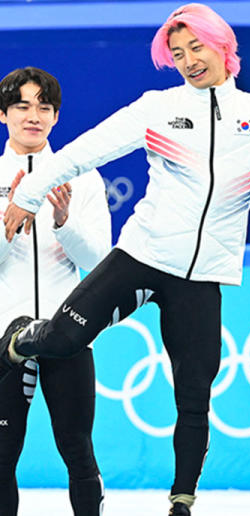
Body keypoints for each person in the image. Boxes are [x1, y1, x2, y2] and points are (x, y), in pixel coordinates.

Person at [0, 3, 250, 515]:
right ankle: (18, 341)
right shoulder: (157, 108)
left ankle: (182, 500)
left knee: (194, 392)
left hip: (203, 274)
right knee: (66, 338)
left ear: (223, 47)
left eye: (196, 48)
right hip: (142, 255)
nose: (188, 60)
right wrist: (30, 195)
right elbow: (81, 153)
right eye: (178, 53)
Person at [0, 67, 110, 515]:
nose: (34, 116)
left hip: (67, 333)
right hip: (6, 337)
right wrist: (9, 221)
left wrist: (63, 222)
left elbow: (99, 260)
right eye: (23, 106)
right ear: (3, 114)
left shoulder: (82, 177)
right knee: (2, 457)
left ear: (57, 116)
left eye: (44, 108)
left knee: (79, 451)